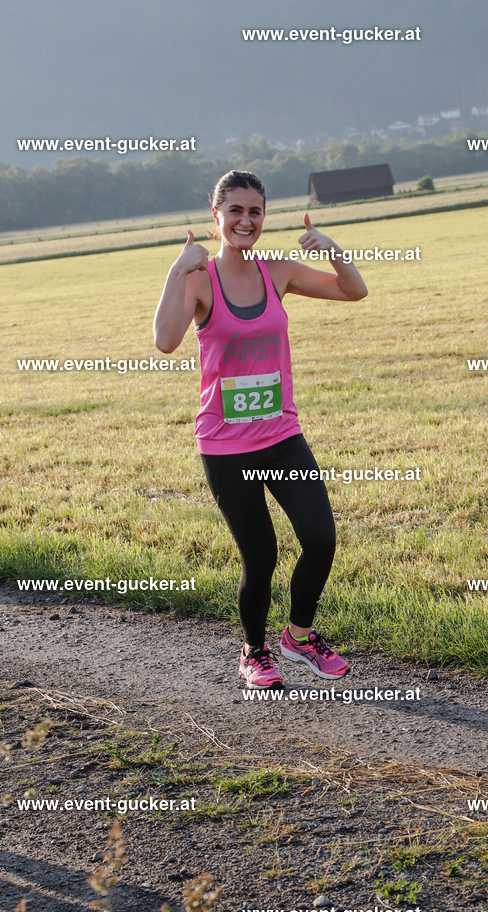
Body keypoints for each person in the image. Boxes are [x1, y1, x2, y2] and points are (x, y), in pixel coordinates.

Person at [153, 170, 368, 689]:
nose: (246, 220)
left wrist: (332, 249)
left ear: (263, 216)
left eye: (255, 211)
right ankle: (254, 652)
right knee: (262, 556)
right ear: (217, 216)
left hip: (281, 436)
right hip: (226, 447)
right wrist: (177, 270)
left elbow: (353, 291)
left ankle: (299, 636)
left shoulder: (279, 272)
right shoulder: (200, 280)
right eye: (236, 211)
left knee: (320, 538)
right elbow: (164, 340)